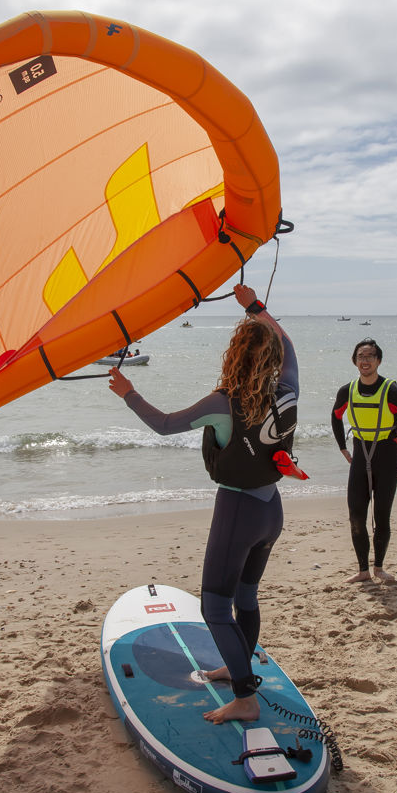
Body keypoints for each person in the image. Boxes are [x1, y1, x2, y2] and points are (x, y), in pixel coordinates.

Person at [108, 284, 297, 724]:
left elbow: (164, 425)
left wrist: (128, 393)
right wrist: (256, 308)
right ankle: (237, 673)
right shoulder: (288, 388)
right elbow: (287, 343)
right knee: (245, 598)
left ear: (234, 356)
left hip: (238, 513)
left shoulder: (223, 403)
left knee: (214, 606)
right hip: (272, 510)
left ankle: (246, 698)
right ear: (270, 360)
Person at [330, 339, 397, 583]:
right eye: (361, 356)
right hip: (360, 456)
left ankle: (379, 568)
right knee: (356, 515)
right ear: (354, 360)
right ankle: (363, 570)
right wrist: (342, 447)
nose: (365, 360)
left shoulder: (392, 391)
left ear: (379, 360)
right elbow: (336, 416)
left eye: (371, 356)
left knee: (382, 515)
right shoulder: (347, 391)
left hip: (387, 457)